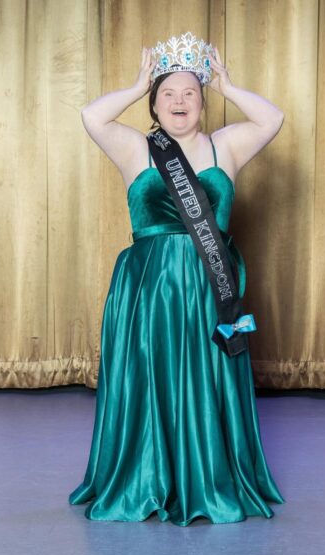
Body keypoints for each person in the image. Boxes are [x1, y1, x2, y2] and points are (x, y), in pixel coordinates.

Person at [69, 32, 285, 527]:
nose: (179, 101)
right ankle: (146, 478)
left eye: (190, 92)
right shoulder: (134, 149)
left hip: (211, 292)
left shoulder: (226, 146)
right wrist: (136, 83)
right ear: (154, 104)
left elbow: (271, 119)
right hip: (148, 292)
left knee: (206, 379)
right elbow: (91, 117)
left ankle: (207, 476)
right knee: (150, 383)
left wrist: (228, 86)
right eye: (167, 93)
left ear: (204, 104)